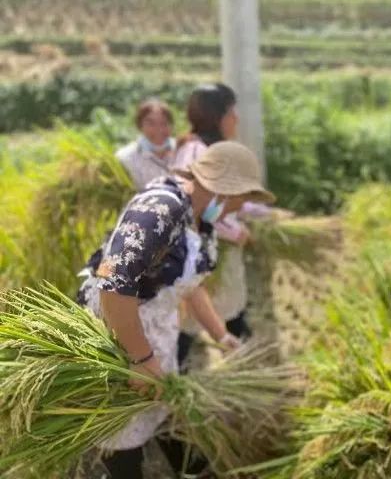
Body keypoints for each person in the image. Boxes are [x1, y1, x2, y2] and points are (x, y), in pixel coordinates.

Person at [77, 141, 275, 479]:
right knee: (122, 421)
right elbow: (114, 286)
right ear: (224, 190)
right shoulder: (158, 209)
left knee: (162, 403)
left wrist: (221, 335)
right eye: (243, 199)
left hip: (156, 324)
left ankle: (191, 469)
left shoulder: (201, 218)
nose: (240, 208)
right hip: (117, 326)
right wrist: (140, 358)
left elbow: (189, 285)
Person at [174, 84, 268, 361]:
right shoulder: (197, 152)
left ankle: (244, 367)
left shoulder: (207, 149)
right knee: (194, 319)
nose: (236, 118)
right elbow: (199, 206)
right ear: (216, 116)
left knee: (220, 313)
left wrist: (266, 213)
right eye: (231, 111)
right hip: (203, 253)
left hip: (214, 253)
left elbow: (228, 198)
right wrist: (235, 232)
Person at [116, 98, 177, 191]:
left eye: (164, 123)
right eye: (151, 123)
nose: (159, 129)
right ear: (140, 125)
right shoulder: (125, 158)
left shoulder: (183, 150)